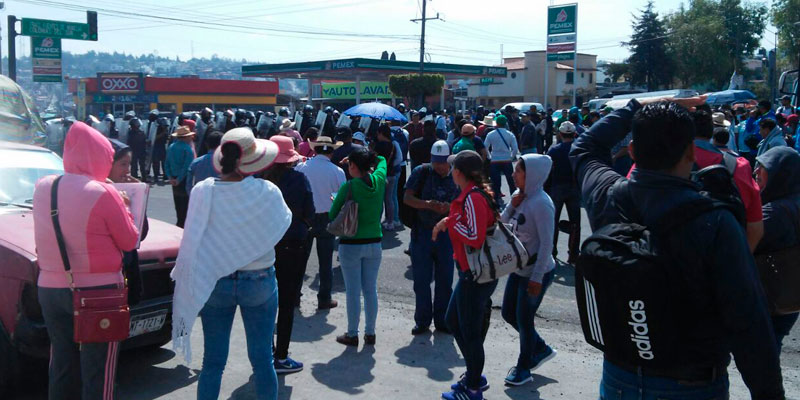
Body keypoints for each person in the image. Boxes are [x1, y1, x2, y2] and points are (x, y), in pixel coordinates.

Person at [569, 97, 785, 399]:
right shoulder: (715, 221)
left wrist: (640, 106)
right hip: (692, 384)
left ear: (632, 151)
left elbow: (585, 146)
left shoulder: (606, 195)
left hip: (620, 375)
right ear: (690, 153)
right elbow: (748, 322)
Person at [171, 128, 290, 400]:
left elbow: (194, 236)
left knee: (212, 362)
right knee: (263, 361)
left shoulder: (203, 191)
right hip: (259, 279)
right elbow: (282, 224)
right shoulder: (267, 191)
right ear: (253, 159)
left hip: (215, 280)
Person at [34, 122, 139, 400]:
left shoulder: (45, 186)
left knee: (61, 363)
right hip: (98, 294)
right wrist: (126, 206)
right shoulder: (105, 193)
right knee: (98, 371)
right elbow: (130, 242)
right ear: (101, 156)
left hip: (50, 287)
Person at [432, 150, 497, 400]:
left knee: (468, 332)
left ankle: (472, 388)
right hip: (472, 272)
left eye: (452, 167)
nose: (450, 171)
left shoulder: (472, 197)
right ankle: (473, 375)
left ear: (458, 172)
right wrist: (450, 220)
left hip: (475, 274)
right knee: (454, 321)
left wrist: (452, 222)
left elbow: (475, 237)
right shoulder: (473, 194)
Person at [500, 153, 557, 386]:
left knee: (524, 319)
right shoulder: (518, 196)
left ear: (532, 175)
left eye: (518, 171)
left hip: (538, 272)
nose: (513, 175)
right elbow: (501, 225)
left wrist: (536, 279)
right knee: (507, 313)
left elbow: (547, 244)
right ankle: (540, 348)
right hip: (518, 268)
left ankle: (524, 368)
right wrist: (511, 207)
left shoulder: (542, 203)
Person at [264, 135, 315, 374]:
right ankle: (281, 356)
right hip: (293, 246)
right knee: (286, 303)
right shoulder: (299, 178)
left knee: (264, 304)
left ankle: (264, 354)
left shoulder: (260, 179)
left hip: (264, 248)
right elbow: (310, 211)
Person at [330, 148, 387, 346]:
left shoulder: (349, 186)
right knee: (370, 289)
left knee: (353, 291)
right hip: (374, 242)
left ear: (353, 166)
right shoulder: (379, 180)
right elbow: (382, 162)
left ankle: (352, 333)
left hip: (351, 244)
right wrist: (371, 156)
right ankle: (370, 333)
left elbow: (332, 214)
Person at [403, 140, 460, 335]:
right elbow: (407, 198)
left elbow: (466, 202)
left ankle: (443, 320)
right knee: (421, 280)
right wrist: (428, 204)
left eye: (443, 163)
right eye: (436, 162)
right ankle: (422, 320)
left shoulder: (457, 175)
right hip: (423, 233)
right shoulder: (422, 172)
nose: (439, 167)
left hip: (447, 235)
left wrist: (448, 208)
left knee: (445, 280)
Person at [753, 146, 800, 351]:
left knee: (762, 352)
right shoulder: (793, 200)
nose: (756, 172)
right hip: (790, 298)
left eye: (762, 168)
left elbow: (743, 240)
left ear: (778, 173)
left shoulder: (776, 212)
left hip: (769, 295)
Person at [295, 137, 346, 310]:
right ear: (331, 152)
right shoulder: (337, 171)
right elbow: (340, 197)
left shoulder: (301, 167)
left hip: (305, 217)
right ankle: (324, 298)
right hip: (326, 216)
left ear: (315, 150)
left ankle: (294, 296)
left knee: (300, 259)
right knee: (325, 262)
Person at [546, 121, 581, 263]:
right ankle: (573, 254)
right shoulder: (579, 149)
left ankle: (552, 252)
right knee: (575, 223)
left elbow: (547, 170)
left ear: (560, 134)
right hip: (574, 188)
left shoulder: (554, 150)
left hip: (557, 187)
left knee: (552, 222)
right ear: (574, 134)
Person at [164, 126, 196, 228]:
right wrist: (179, 180)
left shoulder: (171, 147)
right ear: (186, 137)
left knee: (177, 203)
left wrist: (170, 177)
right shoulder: (188, 149)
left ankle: (179, 223)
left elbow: (166, 164)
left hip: (173, 178)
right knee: (185, 204)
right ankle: (183, 225)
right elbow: (187, 167)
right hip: (183, 180)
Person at [484, 115, 519, 205]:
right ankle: (514, 200)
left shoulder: (491, 134)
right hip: (506, 160)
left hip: (495, 160)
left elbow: (485, 147)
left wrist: (489, 157)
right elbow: (515, 149)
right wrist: (511, 157)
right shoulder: (510, 134)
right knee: (511, 182)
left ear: (497, 123)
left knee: (495, 183)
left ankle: (496, 202)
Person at [375, 124, 402, 230]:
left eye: (378, 134)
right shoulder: (393, 145)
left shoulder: (379, 145)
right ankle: (391, 222)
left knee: (379, 199)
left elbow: (374, 159)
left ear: (381, 133)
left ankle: (377, 223)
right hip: (391, 174)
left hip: (381, 174)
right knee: (389, 199)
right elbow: (397, 158)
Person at [150, 118, 169, 183]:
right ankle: (156, 175)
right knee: (156, 162)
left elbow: (167, 139)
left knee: (164, 162)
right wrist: (162, 133)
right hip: (156, 146)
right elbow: (154, 138)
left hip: (163, 146)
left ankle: (165, 175)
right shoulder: (157, 129)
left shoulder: (166, 130)